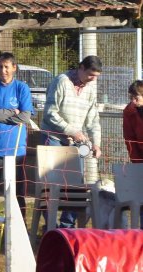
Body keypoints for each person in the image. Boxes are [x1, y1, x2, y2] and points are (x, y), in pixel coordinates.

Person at [41, 55, 102, 229]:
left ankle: (67, 226)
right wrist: (72, 131)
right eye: (91, 75)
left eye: (96, 76)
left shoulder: (90, 89)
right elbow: (50, 113)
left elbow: (93, 119)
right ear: (80, 68)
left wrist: (96, 143)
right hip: (52, 139)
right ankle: (50, 227)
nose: (93, 79)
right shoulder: (61, 81)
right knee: (50, 187)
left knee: (76, 187)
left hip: (76, 144)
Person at [0, 52, 34, 239]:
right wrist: (12, 112)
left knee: (18, 191)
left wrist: (1, 113)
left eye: (6, 66)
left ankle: (20, 227)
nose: (3, 70)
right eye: (0, 66)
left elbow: (25, 117)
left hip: (16, 148)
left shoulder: (22, 88)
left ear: (14, 68)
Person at [122, 80, 143, 228]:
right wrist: (137, 163)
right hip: (140, 160)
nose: (133, 101)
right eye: (131, 98)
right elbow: (129, 138)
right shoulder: (129, 112)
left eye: (136, 98)